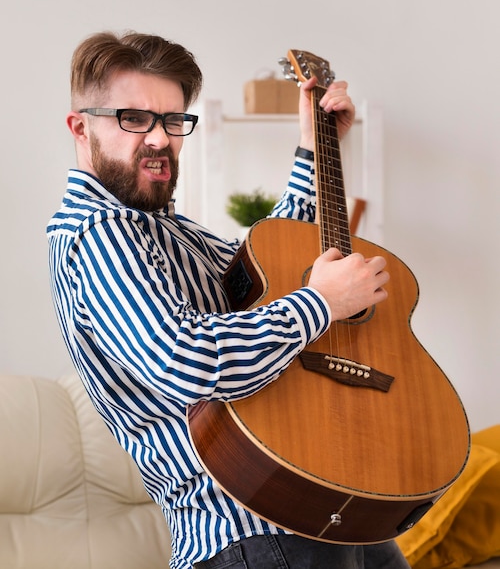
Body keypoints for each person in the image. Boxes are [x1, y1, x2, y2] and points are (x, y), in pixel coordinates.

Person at [47, 31, 408, 569]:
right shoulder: (98, 232)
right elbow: (186, 361)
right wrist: (321, 304)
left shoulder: (163, 228)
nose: (158, 138)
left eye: (173, 120)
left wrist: (315, 148)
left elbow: (272, 268)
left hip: (319, 499)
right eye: (134, 118)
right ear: (81, 127)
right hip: (249, 527)